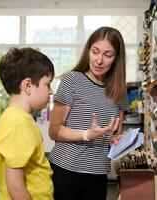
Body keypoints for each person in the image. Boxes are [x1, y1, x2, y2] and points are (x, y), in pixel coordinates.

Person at [48, 26, 127, 200]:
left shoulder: (119, 89)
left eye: (108, 55)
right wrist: (87, 135)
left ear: (116, 59)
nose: (99, 60)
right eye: (95, 52)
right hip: (66, 171)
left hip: (98, 174)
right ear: (88, 51)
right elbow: (54, 131)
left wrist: (115, 140)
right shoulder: (72, 80)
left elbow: (114, 133)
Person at [0, 47, 55, 200]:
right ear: (28, 85)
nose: (51, 91)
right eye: (47, 84)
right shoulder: (17, 123)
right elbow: (15, 186)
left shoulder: (20, 119)